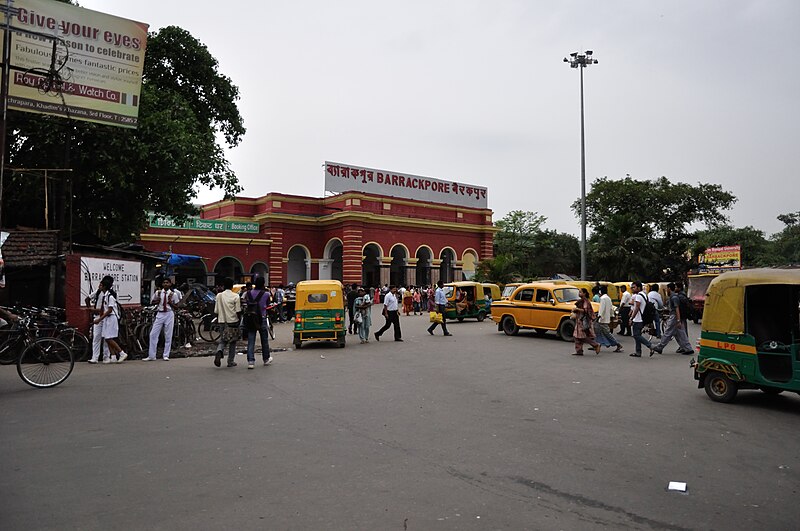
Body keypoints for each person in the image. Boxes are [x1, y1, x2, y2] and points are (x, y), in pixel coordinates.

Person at [651, 282, 695, 355]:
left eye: (667, 289)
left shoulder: (674, 297)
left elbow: (676, 309)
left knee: (668, 332)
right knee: (680, 333)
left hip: (674, 316)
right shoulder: (674, 297)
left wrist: (678, 320)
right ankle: (687, 348)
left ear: (669, 289)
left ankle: (660, 347)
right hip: (675, 316)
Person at [145, 277, 181, 361]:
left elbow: (177, 306)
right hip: (160, 313)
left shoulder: (173, 294)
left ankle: (166, 355)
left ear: (170, 284)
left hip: (169, 313)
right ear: (162, 284)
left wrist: (170, 303)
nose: (165, 284)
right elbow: (152, 302)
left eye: (167, 283)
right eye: (164, 282)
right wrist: (157, 301)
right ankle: (151, 355)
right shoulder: (158, 293)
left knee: (168, 335)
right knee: (153, 334)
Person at [244, 276, 273, 369]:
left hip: (251, 318)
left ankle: (251, 361)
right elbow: (268, 304)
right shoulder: (266, 294)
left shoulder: (248, 293)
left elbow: (246, 303)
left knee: (251, 339)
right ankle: (266, 359)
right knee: (264, 340)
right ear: (263, 283)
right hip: (262, 318)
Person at [213, 277, 242, 368]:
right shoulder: (236, 296)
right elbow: (238, 310)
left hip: (222, 321)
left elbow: (216, 311)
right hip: (233, 321)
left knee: (223, 339)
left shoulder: (219, 296)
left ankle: (219, 351)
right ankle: (230, 361)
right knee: (232, 341)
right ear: (232, 286)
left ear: (223, 286)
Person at [85, 284, 111, 364]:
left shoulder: (110, 294)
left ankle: (106, 356)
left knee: (106, 338)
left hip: (105, 317)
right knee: (96, 336)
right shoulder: (98, 292)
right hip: (97, 316)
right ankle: (94, 357)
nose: (99, 286)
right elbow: (87, 299)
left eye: (101, 285)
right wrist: (91, 308)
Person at [572, 288, 601, 355]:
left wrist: (577, 309)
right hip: (579, 320)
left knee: (582, 336)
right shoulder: (581, 301)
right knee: (577, 336)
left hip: (583, 321)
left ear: (584, 293)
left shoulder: (585, 301)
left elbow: (585, 310)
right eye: (579, 292)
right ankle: (579, 350)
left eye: (580, 292)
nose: (579, 293)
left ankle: (595, 345)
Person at [629, 281, 654, 357]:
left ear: (638, 287)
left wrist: (631, 318)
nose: (632, 289)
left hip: (638, 319)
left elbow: (636, 308)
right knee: (637, 335)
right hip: (642, 318)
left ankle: (650, 346)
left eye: (634, 287)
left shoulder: (638, 296)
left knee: (636, 335)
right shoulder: (644, 295)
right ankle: (638, 352)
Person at [596, 285, 623, 352]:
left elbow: (602, 309)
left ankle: (617, 344)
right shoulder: (608, 298)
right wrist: (612, 316)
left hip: (602, 319)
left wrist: (599, 316)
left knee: (606, 333)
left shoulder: (602, 298)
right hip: (606, 318)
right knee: (600, 332)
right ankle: (599, 344)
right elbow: (611, 308)